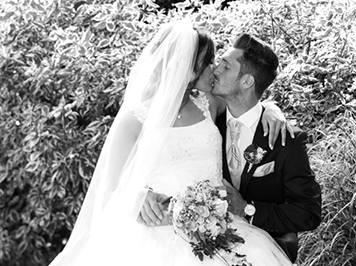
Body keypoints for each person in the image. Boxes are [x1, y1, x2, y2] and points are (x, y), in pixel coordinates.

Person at [49, 20, 293, 266]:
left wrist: (271, 109)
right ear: (187, 68)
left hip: (221, 224)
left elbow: (247, 103)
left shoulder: (208, 103)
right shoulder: (135, 120)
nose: (215, 69)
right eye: (207, 63)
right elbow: (111, 185)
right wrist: (138, 196)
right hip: (158, 233)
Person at [213, 34, 322, 263]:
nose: (216, 69)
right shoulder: (207, 126)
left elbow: (309, 213)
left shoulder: (287, 141)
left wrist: (248, 209)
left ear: (246, 81)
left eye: (226, 66)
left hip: (259, 253)